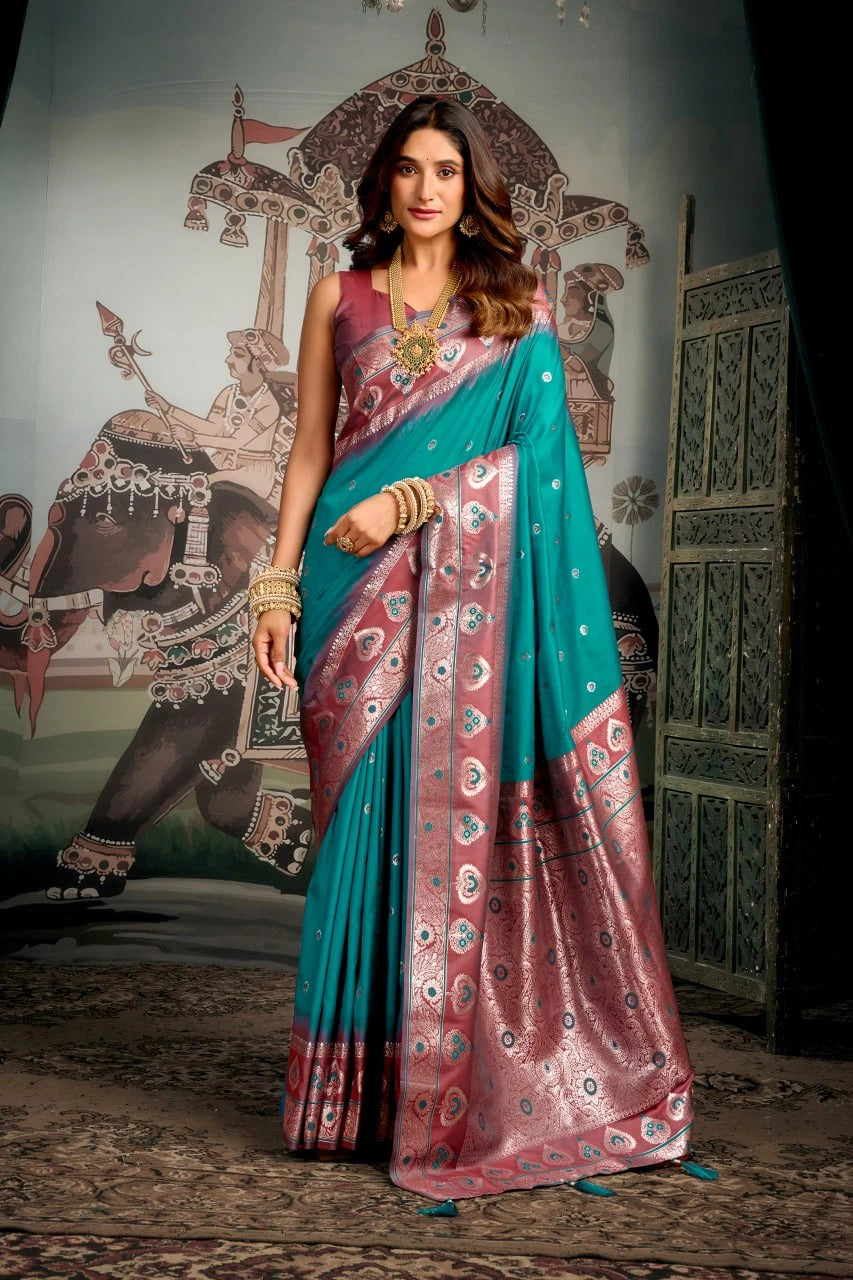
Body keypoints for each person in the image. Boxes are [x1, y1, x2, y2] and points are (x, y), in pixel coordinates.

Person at [250, 96, 695, 1203]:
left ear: (472, 183)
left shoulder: (516, 308)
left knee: (436, 829)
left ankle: (440, 1084)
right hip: (345, 594)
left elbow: (541, 477)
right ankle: (348, 1099)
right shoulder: (336, 297)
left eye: (445, 168)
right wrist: (274, 580)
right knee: (364, 836)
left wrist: (411, 499)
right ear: (383, 186)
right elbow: (307, 452)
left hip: (461, 603)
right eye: (406, 169)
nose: (425, 188)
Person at [145, 328, 296, 503]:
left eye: (238, 355)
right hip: (222, 462)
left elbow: (237, 442)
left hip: (255, 473)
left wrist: (194, 438)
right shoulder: (229, 392)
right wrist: (168, 409)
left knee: (204, 484)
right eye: (231, 353)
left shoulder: (270, 405)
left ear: (259, 363)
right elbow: (211, 428)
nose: (228, 360)